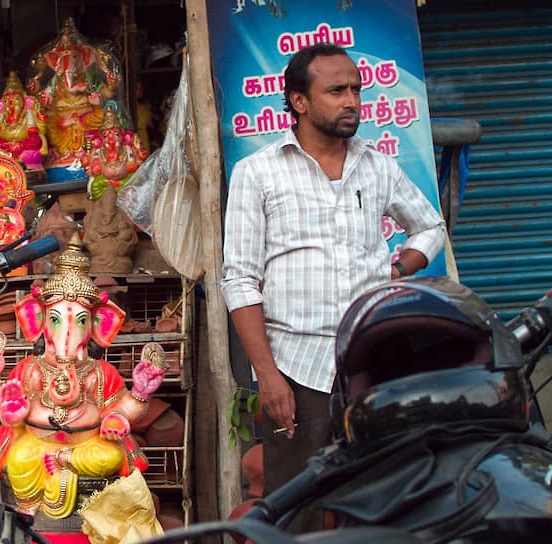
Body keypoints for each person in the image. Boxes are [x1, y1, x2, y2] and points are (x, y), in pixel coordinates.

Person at [220, 43, 446, 532]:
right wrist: (268, 376)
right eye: (336, 91)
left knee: (381, 495)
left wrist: (399, 270)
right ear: (299, 101)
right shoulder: (257, 172)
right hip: (298, 370)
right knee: (293, 506)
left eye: (357, 91)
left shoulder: (378, 166)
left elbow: (430, 227)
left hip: (371, 360)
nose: (352, 102)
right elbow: (239, 279)